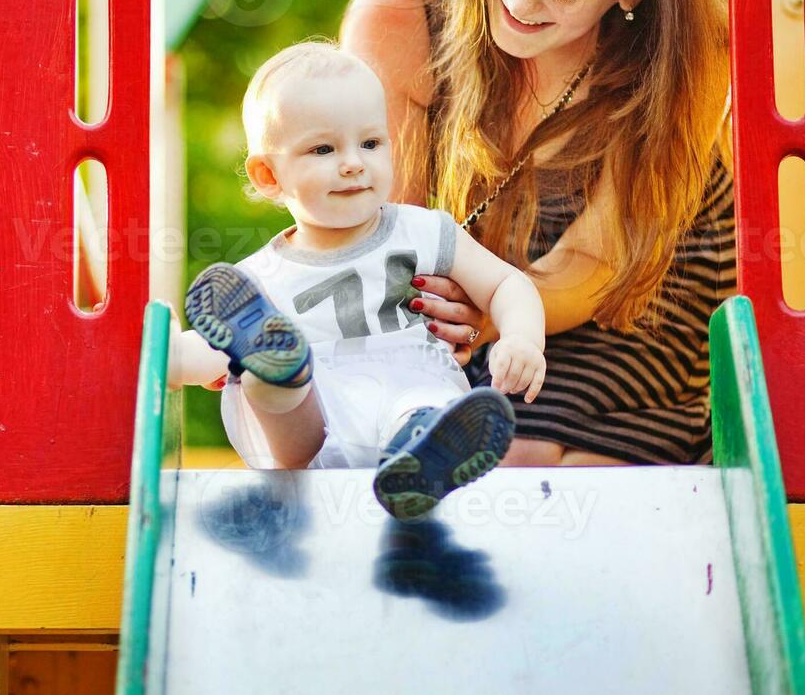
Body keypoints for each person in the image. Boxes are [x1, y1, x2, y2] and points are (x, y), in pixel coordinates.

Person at [341, 0, 736, 467]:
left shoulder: (695, 35)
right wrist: (441, 310)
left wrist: (495, 313)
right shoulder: (404, 5)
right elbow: (388, 226)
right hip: (482, 266)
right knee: (454, 437)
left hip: (644, 277)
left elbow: (599, 262)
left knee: (542, 458)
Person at [170, 40, 548, 520]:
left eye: (370, 143)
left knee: (422, 403)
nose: (353, 162)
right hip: (309, 429)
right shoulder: (259, 278)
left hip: (407, 382)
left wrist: (522, 338)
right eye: (324, 148)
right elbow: (210, 354)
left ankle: (422, 457)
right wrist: (159, 361)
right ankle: (274, 370)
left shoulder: (423, 232)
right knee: (258, 375)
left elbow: (505, 285)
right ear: (269, 175)